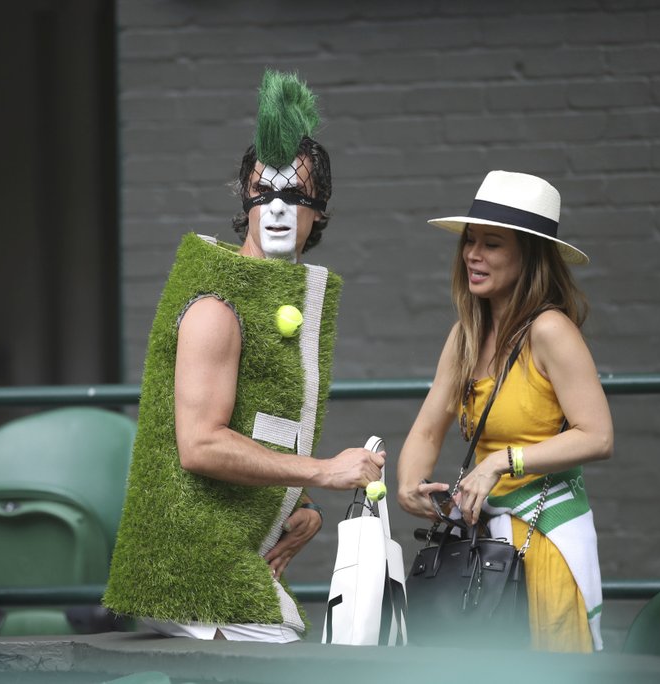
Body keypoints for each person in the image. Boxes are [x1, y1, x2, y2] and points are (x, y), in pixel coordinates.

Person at [103, 70, 384, 643]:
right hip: (193, 572)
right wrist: (324, 471)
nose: (278, 209)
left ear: (319, 211)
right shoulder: (217, 306)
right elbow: (201, 443)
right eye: (265, 194)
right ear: (246, 202)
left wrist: (298, 500)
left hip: (217, 560)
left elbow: (252, 418)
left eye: (296, 196)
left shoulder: (260, 298)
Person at [397, 170, 613, 652]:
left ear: (529, 255)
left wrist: (500, 461)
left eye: (492, 244)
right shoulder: (466, 334)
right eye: (470, 241)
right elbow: (429, 428)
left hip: (545, 538)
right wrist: (411, 484)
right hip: (485, 544)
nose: (473, 254)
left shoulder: (551, 330)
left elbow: (597, 436)